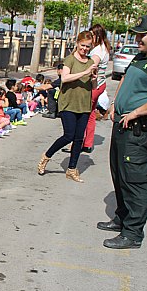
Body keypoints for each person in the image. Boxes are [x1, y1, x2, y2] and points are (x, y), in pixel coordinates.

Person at [97, 15, 147, 249]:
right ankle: (122, 218)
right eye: (137, 34)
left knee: (134, 180)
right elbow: (124, 79)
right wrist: (114, 104)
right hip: (122, 124)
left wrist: (136, 112)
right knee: (119, 175)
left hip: (138, 128)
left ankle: (132, 233)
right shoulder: (142, 56)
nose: (137, 38)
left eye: (142, 34)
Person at [37, 31, 97, 182]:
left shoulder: (90, 62)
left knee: (78, 139)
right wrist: (85, 72)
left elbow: (93, 85)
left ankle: (72, 169)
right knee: (68, 135)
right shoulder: (69, 60)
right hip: (68, 103)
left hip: (84, 104)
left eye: (88, 47)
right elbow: (65, 78)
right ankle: (46, 156)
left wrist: (94, 77)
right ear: (77, 43)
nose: (84, 49)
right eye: (82, 45)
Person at [83, 24, 112, 153]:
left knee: (83, 115)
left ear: (97, 36)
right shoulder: (104, 48)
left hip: (94, 86)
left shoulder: (97, 51)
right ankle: (87, 143)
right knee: (90, 114)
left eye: (91, 35)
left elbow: (91, 68)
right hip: (101, 84)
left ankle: (80, 142)